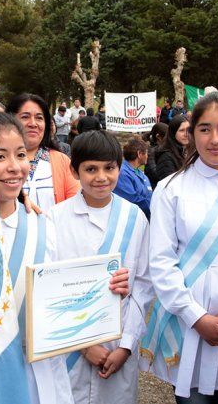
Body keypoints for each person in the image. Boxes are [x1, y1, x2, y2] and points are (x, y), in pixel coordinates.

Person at [0, 111, 130, 404]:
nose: (14, 167)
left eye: (21, 155)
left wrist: (108, 289)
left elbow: (67, 291)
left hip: (43, 371)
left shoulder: (43, 226)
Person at [141, 92, 218, 403]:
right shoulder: (171, 189)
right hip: (190, 322)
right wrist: (197, 316)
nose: (214, 139)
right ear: (191, 133)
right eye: (205, 129)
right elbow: (161, 262)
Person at [48, 130, 153, 404]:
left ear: (120, 167)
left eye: (109, 168)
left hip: (118, 344)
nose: (101, 177)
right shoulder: (55, 219)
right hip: (69, 348)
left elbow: (143, 286)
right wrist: (84, 346)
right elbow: (49, 289)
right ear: (74, 171)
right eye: (91, 169)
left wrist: (127, 346)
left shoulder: (135, 217)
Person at [7, 93, 80, 212]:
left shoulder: (62, 161)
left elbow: (75, 204)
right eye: (25, 117)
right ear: (10, 120)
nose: (33, 123)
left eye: (39, 118)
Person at [114, 137, 153, 218]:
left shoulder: (141, 174)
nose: (147, 156)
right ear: (139, 154)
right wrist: (155, 209)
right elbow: (132, 200)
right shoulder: (122, 173)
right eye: (146, 153)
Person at [154, 115, 189, 182]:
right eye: (182, 130)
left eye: (188, 129)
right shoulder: (166, 157)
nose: (186, 134)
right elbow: (168, 184)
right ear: (173, 133)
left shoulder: (187, 151)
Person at [143, 122, 168, 189]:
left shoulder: (164, 149)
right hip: (154, 188)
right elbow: (154, 173)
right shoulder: (151, 152)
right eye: (167, 137)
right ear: (158, 137)